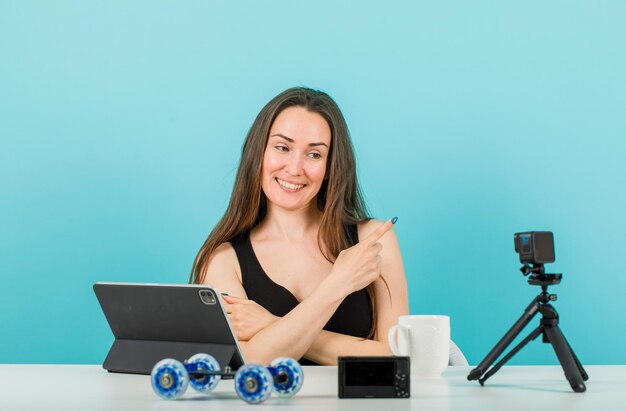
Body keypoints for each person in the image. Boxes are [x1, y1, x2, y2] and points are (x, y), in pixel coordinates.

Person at [189, 87, 409, 365]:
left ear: (331, 166)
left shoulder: (372, 242)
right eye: (282, 147)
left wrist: (271, 325)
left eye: (314, 155)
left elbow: (398, 360)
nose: (294, 168)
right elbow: (253, 360)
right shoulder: (221, 259)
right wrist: (338, 283)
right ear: (259, 153)